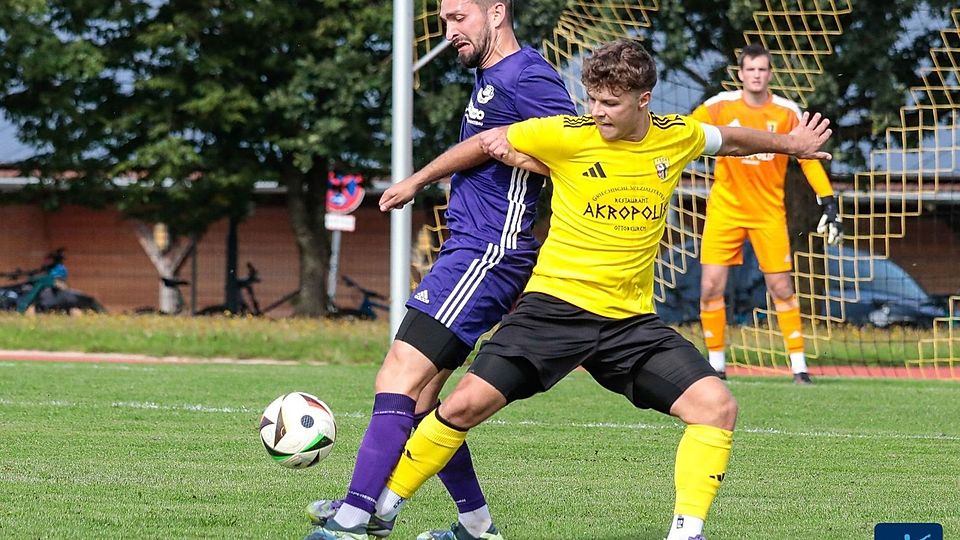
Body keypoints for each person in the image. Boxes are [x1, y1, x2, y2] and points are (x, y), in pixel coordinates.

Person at [312, 39, 834, 540]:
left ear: (643, 101)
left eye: (610, 103)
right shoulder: (565, 133)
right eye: (592, 99)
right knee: (460, 406)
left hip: (630, 324)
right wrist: (419, 180)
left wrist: (791, 144)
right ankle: (383, 509)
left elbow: (733, 140)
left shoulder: (677, 135)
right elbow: (485, 141)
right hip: (551, 312)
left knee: (717, 406)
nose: (598, 111)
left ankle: (687, 534)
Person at [304, 1, 575, 539]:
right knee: (427, 399)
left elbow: (583, 150)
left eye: (459, 18)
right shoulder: (491, 76)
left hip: (488, 253)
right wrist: (420, 180)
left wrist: (517, 160)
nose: (450, 31)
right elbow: (478, 148)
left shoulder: (529, 75)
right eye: (446, 21)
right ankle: (477, 527)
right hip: (469, 249)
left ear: (496, 12)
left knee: (397, 375)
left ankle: (355, 518)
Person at [690, 43, 843, 384]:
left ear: (769, 74)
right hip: (724, 210)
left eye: (763, 69)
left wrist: (828, 200)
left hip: (768, 212)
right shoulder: (719, 106)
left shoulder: (787, 112)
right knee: (711, 287)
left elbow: (808, 156)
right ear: (741, 74)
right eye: (751, 69)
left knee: (781, 287)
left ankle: (799, 368)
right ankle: (716, 365)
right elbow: (685, 133)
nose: (757, 75)